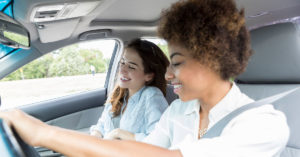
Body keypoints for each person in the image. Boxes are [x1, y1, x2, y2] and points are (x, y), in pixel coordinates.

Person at [0, 0, 289, 157]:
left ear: (212, 61)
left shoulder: (263, 124)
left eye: (176, 63)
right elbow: (147, 148)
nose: (167, 74)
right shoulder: (179, 109)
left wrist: (44, 133)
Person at [90, 38, 169, 141]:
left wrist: (119, 133)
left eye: (131, 67)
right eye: (122, 62)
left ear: (149, 76)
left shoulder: (152, 96)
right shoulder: (118, 92)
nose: (122, 70)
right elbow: (102, 124)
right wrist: (95, 137)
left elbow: (160, 140)